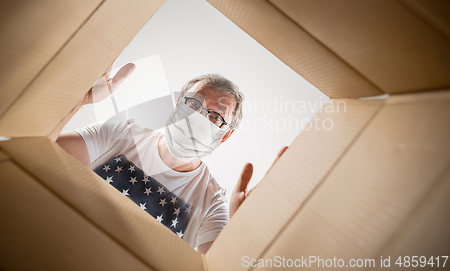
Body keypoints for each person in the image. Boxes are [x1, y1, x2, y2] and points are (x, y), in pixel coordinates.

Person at [47, 63, 287, 253]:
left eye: (216, 117)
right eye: (194, 104)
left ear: (225, 136)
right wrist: (78, 99)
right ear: (177, 106)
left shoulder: (212, 205)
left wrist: (242, 230)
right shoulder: (118, 135)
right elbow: (38, 153)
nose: (200, 119)